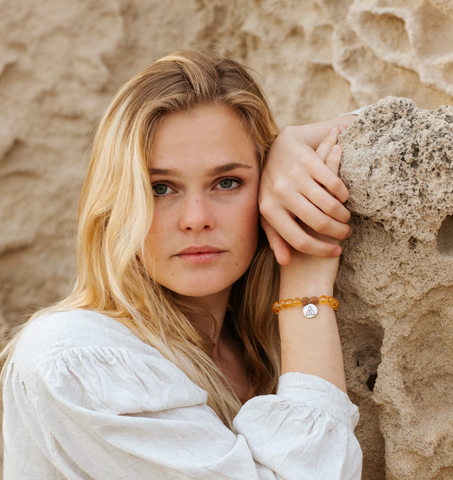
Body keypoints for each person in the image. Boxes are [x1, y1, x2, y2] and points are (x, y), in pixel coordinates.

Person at [1, 49, 362, 479]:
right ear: (116, 203)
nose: (196, 219)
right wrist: (306, 293)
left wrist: (290, 144)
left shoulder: (252, 344)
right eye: (160, 188)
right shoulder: (76, 358)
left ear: (265, 188)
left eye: (228, 182)